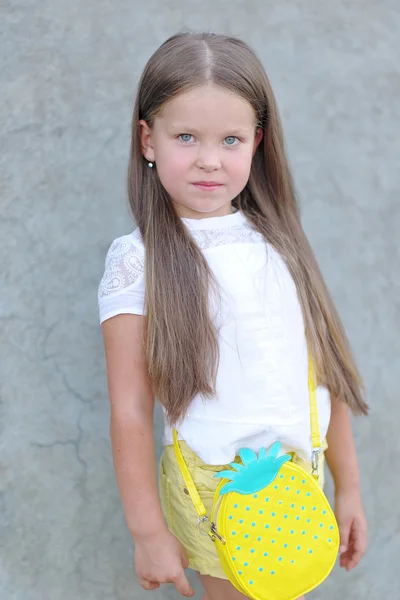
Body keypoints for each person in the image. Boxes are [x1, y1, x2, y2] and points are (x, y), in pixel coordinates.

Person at [98, 32, 368, 600]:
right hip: (214, 487)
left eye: (231, 139)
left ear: (257, 142)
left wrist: (348, 491)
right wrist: (146, 529)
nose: (209, 159)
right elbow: (128, 409)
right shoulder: (138, 259)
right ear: (148, 139)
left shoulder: (281, 244)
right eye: (187, 136)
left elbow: (323, 376)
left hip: (299, 477)